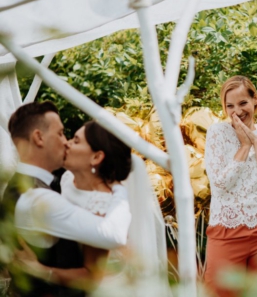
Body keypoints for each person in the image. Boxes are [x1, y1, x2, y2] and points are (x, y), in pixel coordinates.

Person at [14, 120, 167, 295]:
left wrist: (40, 270)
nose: (66, 143)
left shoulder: (102, 206)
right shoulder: (68, 178)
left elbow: (92, 277)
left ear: (96, 157)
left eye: (76, 141)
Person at [3, 101, 131, 296]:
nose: (66, 142)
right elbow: (114, 235)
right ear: (38, 137)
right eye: (61, 133)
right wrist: (119, 189)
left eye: (74, 139)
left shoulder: (38, 184)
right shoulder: (36, 198)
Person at [203, 76, 257, 297]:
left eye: (242, 103)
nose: (236, 111)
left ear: (255, 101)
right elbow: (220, 185)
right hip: (226, 232)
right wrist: (244, 146)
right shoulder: (217, 133)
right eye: (229, 106)